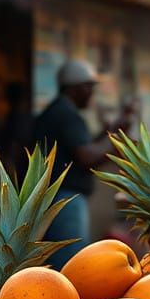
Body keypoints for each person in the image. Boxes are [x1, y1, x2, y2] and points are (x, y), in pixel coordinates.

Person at [33, 59, 133, 269]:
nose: (91, 93)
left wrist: (112, 132)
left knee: (62, 263)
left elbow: (85, 147)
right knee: (72, 266)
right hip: (65, 199)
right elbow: (87, 156)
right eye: (88, 87)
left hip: (55, 198)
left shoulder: (56, 112)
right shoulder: (67, 115)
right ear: (75, 88)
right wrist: (116, 140)